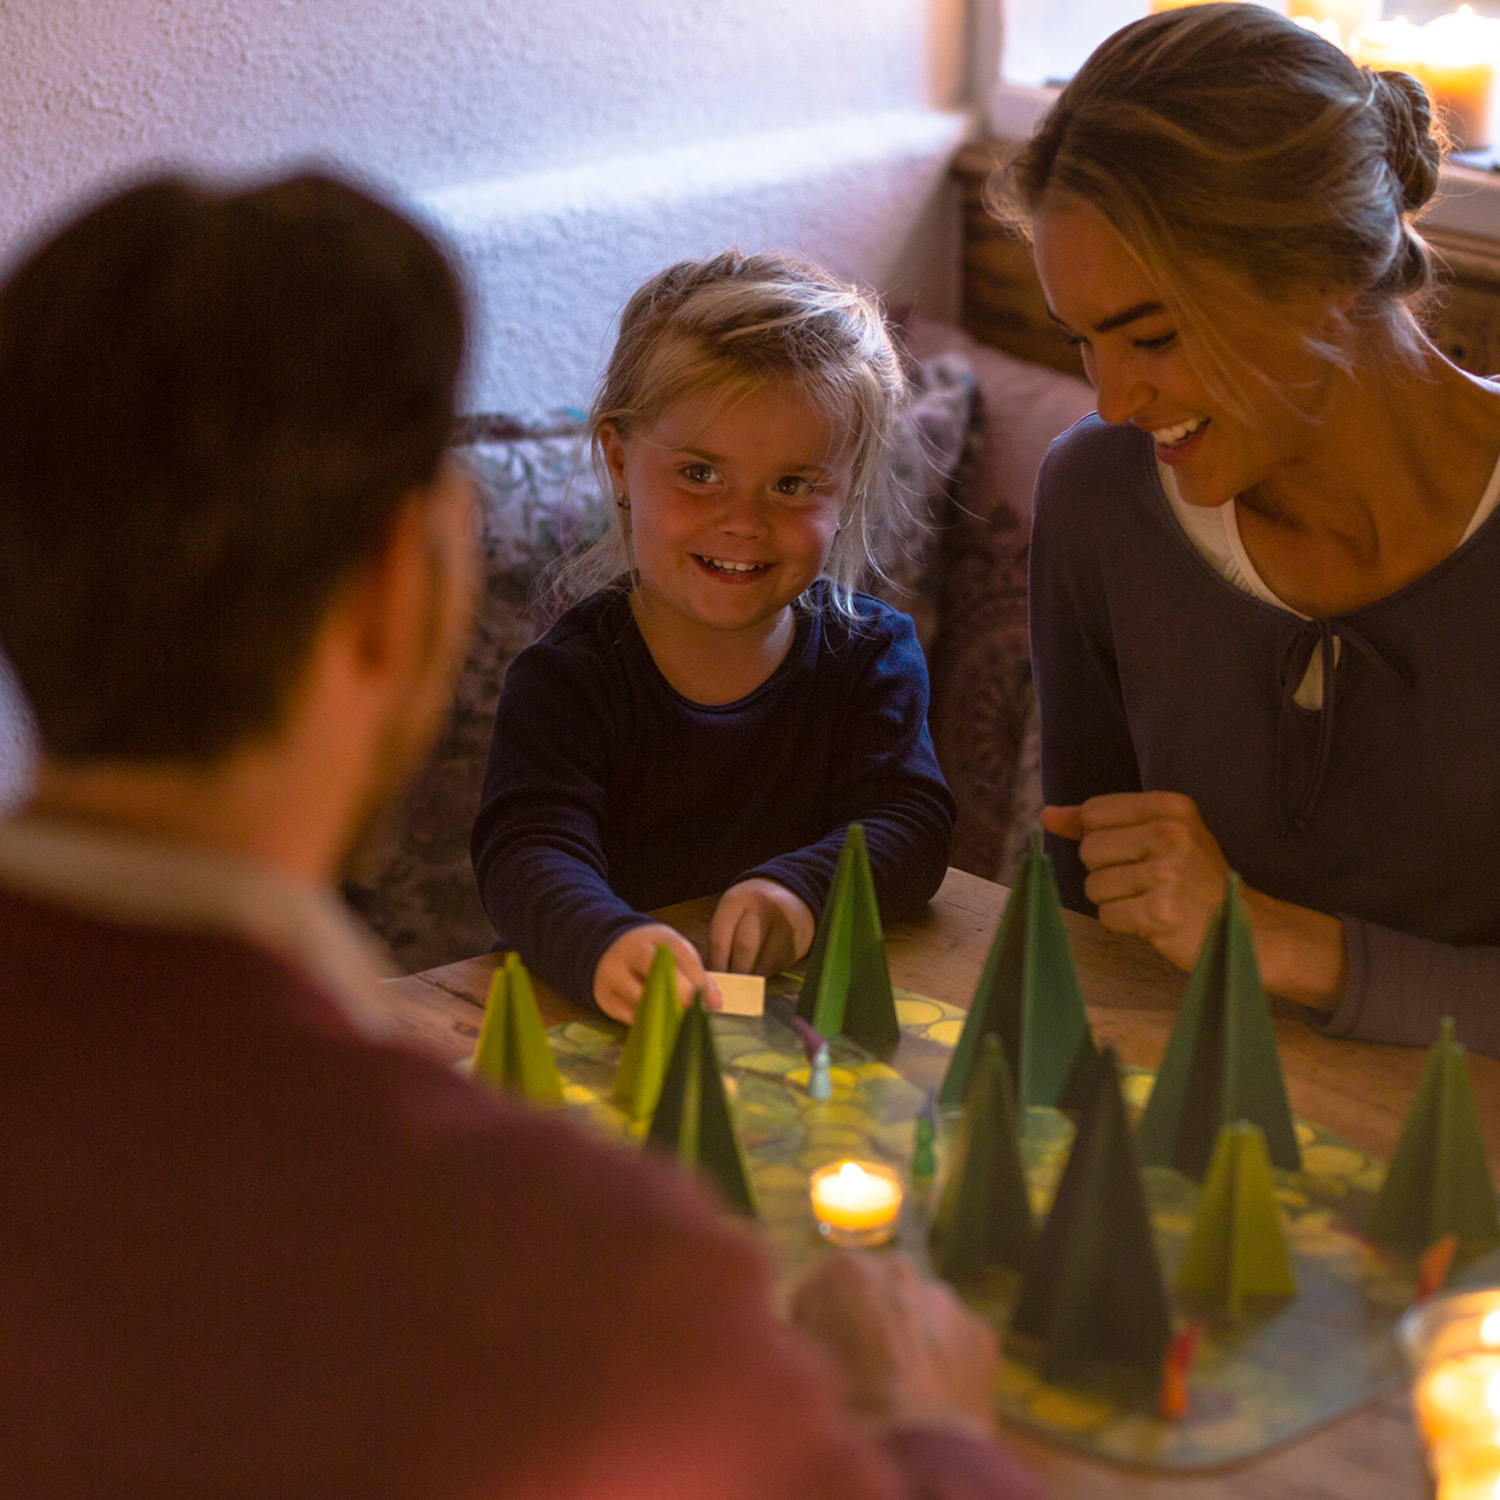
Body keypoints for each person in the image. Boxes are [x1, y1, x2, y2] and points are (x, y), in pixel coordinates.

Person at [0, 175, 1044, 1498]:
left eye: (790, 485)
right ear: (411, 582)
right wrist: (929, 1429)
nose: (743, 514)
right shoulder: (575, 1272)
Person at [1001, 2, 1500, 1058]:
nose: (1112, 400)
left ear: (1324, 273)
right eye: (1085, 341)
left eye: (1152, 335)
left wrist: (1280, 942)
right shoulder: (1097, 500)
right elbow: (1092, 920)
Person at [471, 251, 956, 1021]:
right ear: (620, 462)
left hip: (798, 1047)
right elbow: (526, 854)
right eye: (700, 473)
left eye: (793, 485)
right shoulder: (568, 678)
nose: (744, 519)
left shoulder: (871, 658)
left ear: (847, 490)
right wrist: (606, 941)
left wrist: (799, 892)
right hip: (605, 1033)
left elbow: (910, 824)